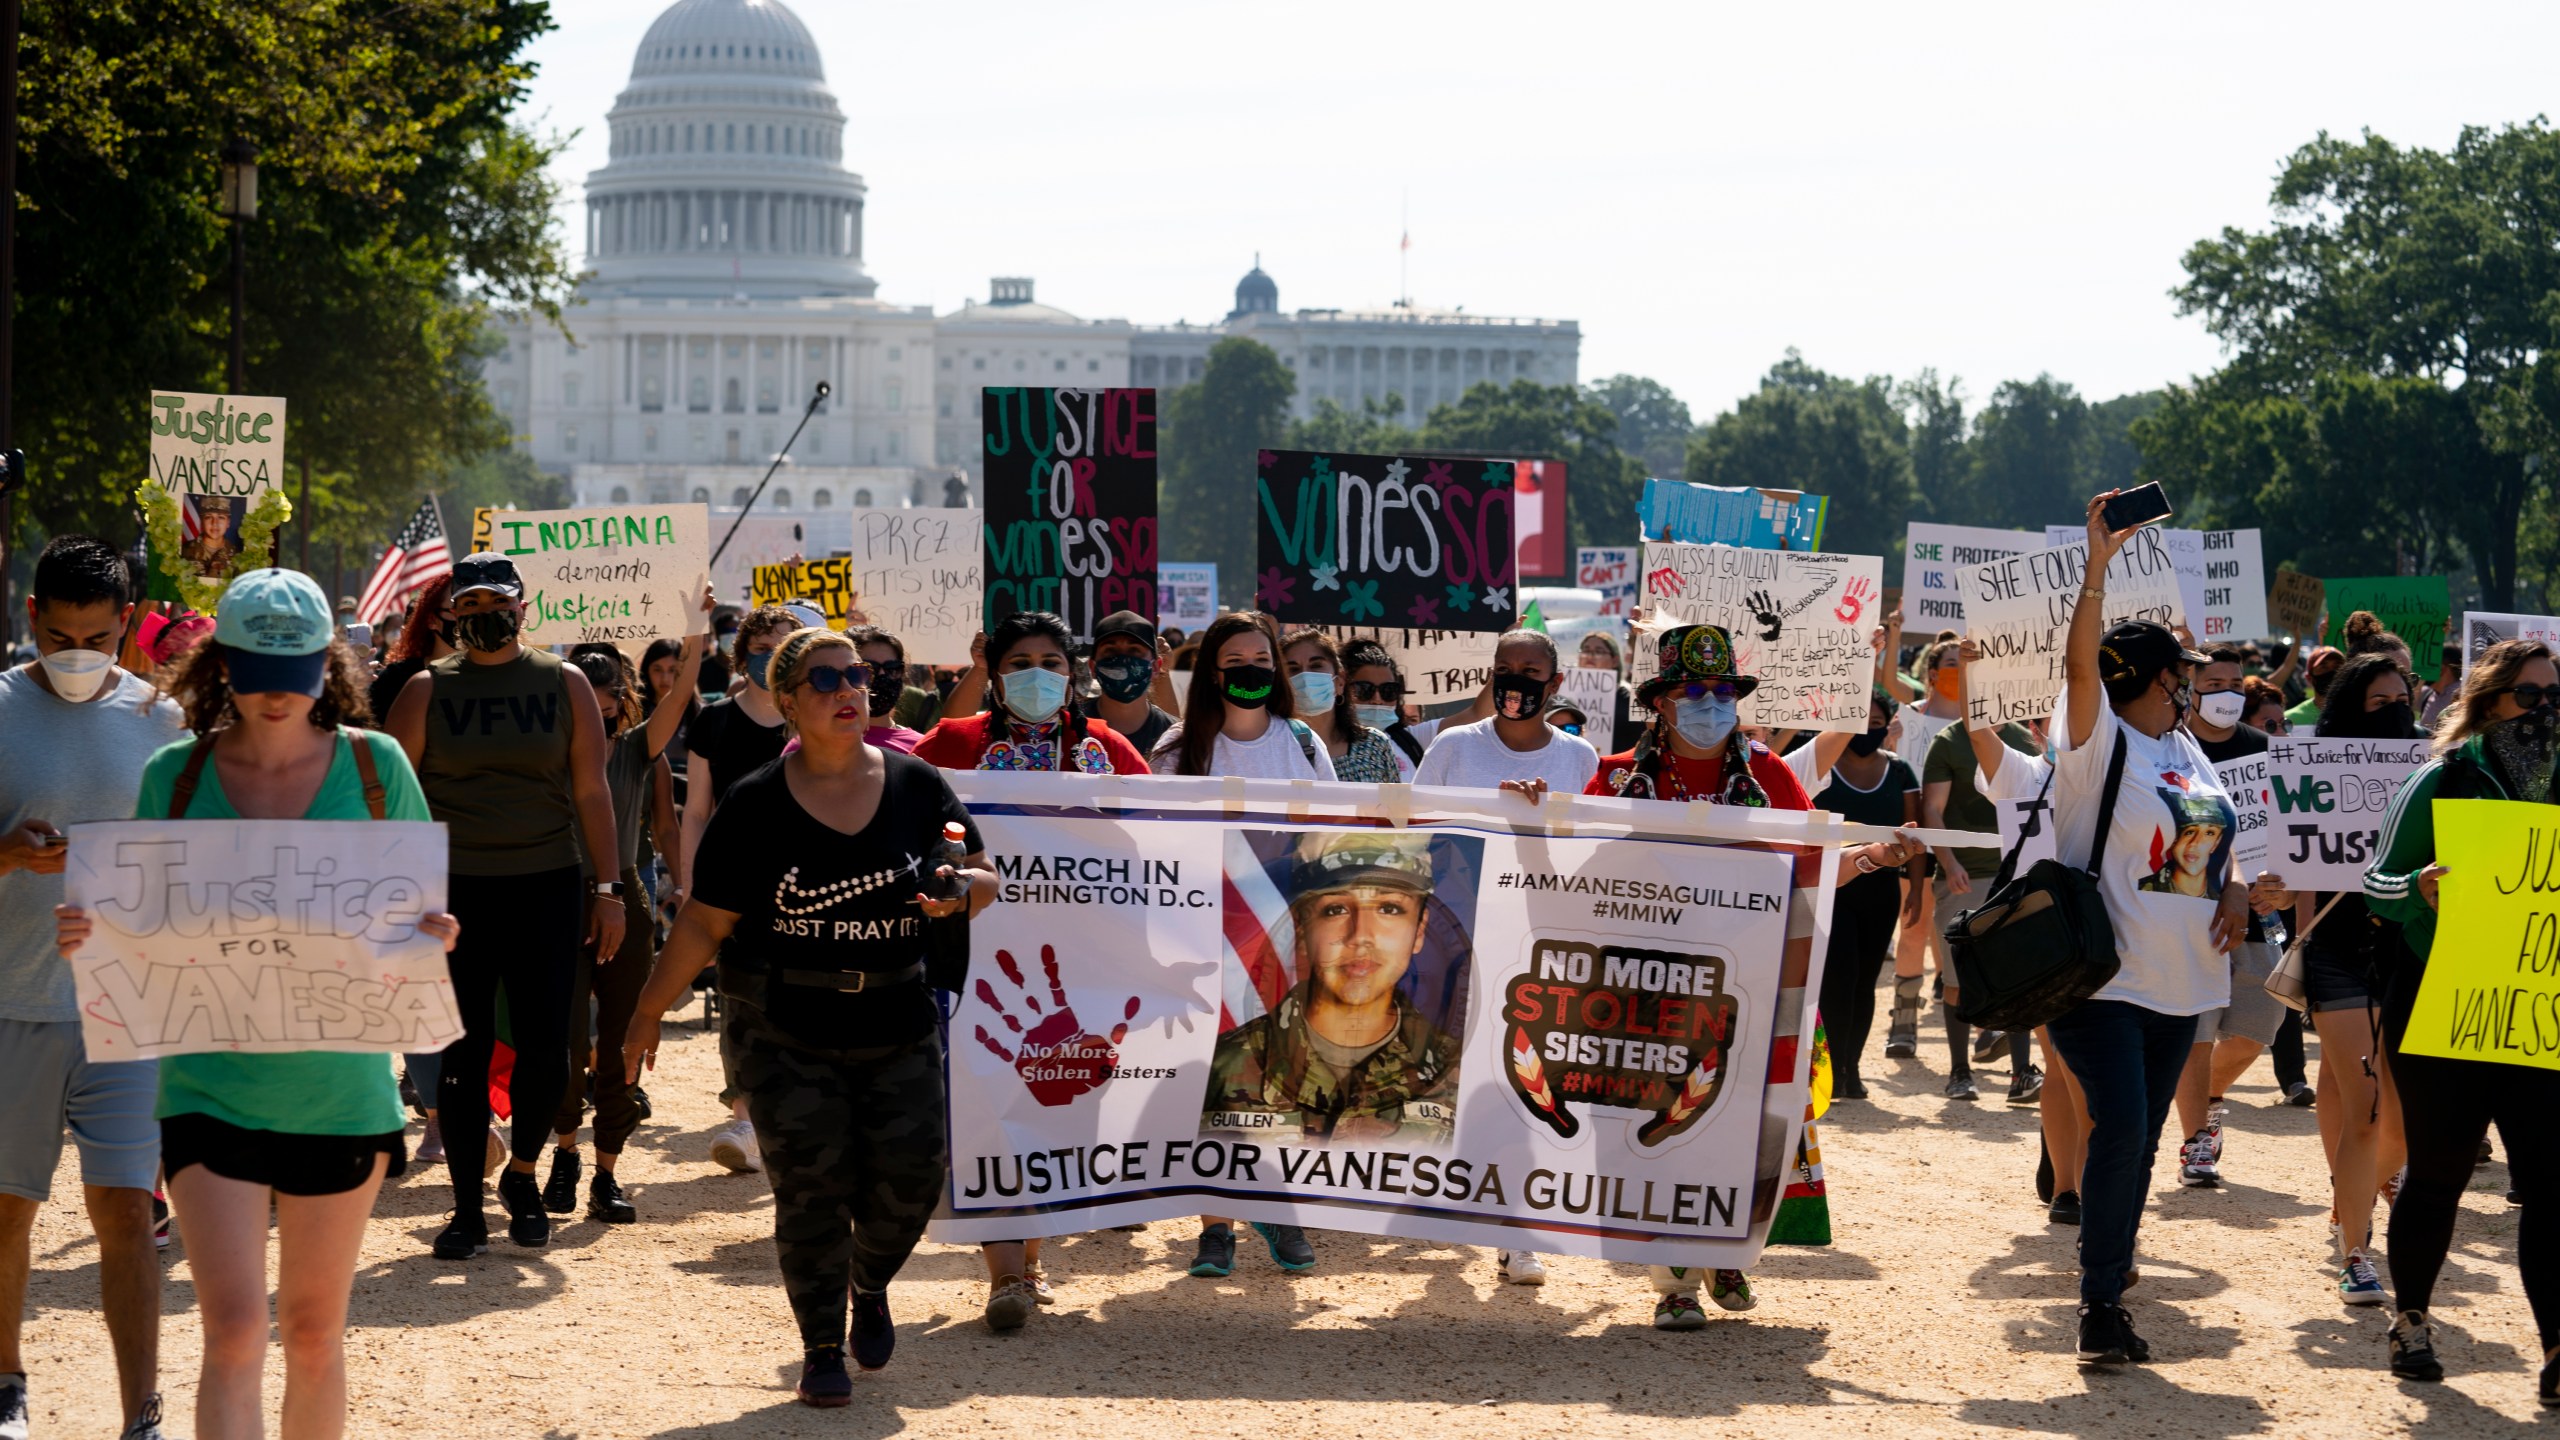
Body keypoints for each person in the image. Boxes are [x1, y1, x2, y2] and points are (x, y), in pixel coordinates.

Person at [57, 568, 459, 1440]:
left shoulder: (376, 765)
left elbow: (415, 914)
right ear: (220, 666)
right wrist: (96, 935)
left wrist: (433, 930)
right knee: (233, 1331)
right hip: (209, 1091)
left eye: (298, 669)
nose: (277, 693)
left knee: (315, 1334)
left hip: (343, 1095)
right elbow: (136, 921)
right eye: (254, 669)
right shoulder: (174, 773)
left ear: (328, 666)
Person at [626, 627, 994, 1404]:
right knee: (811, 1192)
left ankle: (872, 1280)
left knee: (910, 1185)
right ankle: (822, 1345)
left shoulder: (919, 785)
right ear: (787, 702)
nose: (847, 691)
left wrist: (959, 884)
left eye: (855, 675)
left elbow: (979, 868)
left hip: (897, 1020)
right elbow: (701, 924)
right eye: (823, 680)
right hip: (785, 1029)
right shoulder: (755, 803)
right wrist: (646, 1015)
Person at [1590, 624, 1902, 1330]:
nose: (1711, 703)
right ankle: (1672, 1281)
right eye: (1694, 692)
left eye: (1723, 691)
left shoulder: (1770, 776)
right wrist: (1529, 814)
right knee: (1656, 1124)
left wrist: (1876, 855)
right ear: (1660, 704)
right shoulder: (1613, 778)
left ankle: (1724, 1244)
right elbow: (1571, 878)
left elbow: (1811, 873)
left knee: (1738, 1124)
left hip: (1750, 989)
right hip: (1648, 993)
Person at [2036, 494, 2284, 1369]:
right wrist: (2097, 567)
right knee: (2125, 1126)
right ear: (2147, 677)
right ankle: (2099, 1301)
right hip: (2102, 978)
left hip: (2183, 980)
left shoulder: (2187, 752)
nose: (2200, 684)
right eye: (2183, 672)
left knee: (2139, 1142)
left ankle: (2111, 1266)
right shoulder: (2097, 739)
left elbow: (2223, 841)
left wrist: (2239, 889)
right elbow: (2076, 670)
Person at [0, 536, 189, 1440]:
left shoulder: (162, 719)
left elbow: (192, 865)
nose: (79, 654)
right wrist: (5, 855)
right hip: (11, 1003)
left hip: (127, 1010)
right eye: (61, 635)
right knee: (8, 1211)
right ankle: (6, 1385)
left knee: (126, 1208)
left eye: (98, 638)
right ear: (31, 618)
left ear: (127, 629)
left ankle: (140, 1413)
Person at [386, 553, 625, 1259]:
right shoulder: (426, 690)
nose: (483, 614)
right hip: (455, 895)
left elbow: (592, 792)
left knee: (547, 1046)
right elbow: (392, 803)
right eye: (470, 603)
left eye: (497, 600)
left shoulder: (566, 681)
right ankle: (465, 1207)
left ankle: (522, 1173)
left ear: (524, 607)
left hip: (547, 882)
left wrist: (608, 891)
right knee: (462, 1051)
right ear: (451, 612)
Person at [913, 610, 1148, 1323]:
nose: (1036, 675)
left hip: (1080, 971)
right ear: (993, 669)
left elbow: (1162, 838)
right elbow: (903, 810)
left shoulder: (1105, 749)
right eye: (1019, 662)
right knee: (984, 1107)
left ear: (1073, 671)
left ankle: (1034, 1259)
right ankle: (1007, 1274)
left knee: (1056, 1107)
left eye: (1051, 660)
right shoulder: (952, 744)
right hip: (976, 958)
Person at [2363, 638, 2560, 1394]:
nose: (2545, 710)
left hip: (2536, 1009)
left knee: (2549, 1178)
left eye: (2555, 696)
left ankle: (2555, 1349)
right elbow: (2374, 881)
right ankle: (2411, 1319)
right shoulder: (2443, 780)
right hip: (2444, 1003)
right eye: (2530, 695)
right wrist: (2418, 886)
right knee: (2440, 1171)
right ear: (2491, 700)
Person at [1152, 613, 1334, 1280]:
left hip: (1286, 937)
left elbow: (1332, 839)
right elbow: (1157, 850)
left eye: (1264, 656)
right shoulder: (1178, 750)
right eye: (1238, 658)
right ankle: (1216, 1225)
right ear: (1213, 672)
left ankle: (1280, 1206)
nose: (1253, 667)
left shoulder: (1304, 745)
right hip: (1205, 938)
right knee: (1214, 1078)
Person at [545, 616, 707, 1226]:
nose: (595, 704)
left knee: (619, 1044)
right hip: (560, 902)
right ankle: (563, 1155)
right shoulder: (546, 754)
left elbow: (679, 697)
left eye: (605, 693)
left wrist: (693, 641)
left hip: (626, 907)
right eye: (580, 692)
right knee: (562, 1042)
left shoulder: (641, 749)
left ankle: (607, 1171)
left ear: (622, 698)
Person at [2286, 652, 2417, 1306]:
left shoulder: (2434, 771)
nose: (2396, 711)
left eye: (2403, 698)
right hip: (2339, 953)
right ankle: (2358, 1253)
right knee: (2362, 1104)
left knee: (2401, 1121)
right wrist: (2300, 939)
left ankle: (2353, 1191)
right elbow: (2301, 861)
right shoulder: (2317, 766)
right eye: (2379, 703)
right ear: (2347, 711)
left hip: (2409, 950)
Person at [1203, 833, 1457, 1140]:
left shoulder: (1462, 1075)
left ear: (1419, 930)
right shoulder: (1216, 1068)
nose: (1361, 935)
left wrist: (1529, 828)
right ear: (1301, 927)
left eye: (1389, 908)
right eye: (1336, 909)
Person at [2165, 646, 2297, 1193]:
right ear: (2188, 688)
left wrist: (2283, 888)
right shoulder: (2173, 751)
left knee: (2254, 1029)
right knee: (2195, 1032)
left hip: (2260, 916)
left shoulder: (2268, 752)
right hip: (2187, 909)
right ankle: (2197, 1139)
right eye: (2214, 682)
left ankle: (2209, 1097)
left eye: (2235, 684)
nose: (2226, 693)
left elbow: (2293, 834)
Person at [679, 604, 800, 1174]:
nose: (770, 652)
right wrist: (689, 884)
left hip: (808, 887)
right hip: (734, 887)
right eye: (760, 643)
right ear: (742, 650)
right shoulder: (716, 721)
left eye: (784, 643)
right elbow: (696, 811)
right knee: (741, 1001)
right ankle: (747, 1120)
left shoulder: (813, 717)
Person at [1784, 692, 1922, 1102]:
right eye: (1862, 721)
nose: (1868, 730)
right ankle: (1828, 1070)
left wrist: (1915, 885)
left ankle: (1852, 1068)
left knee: (1865, 983)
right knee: (1836, 979)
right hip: (1832, 884)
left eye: (1877, 722)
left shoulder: (1899, 771)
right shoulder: (1821, 769)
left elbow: (1917, 830)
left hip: (1880, 889)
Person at [1921, 663, 2044, 1102]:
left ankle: (2021, 1074)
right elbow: (1932, 809)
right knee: (1956, 979)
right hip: (1963, 878)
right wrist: (1949, 862)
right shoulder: (1948, 741)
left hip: (2015, 875)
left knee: (2019, 977)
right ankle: (1959, 1072)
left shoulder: (2025, 738)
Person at [1887, 637, 1966, 1063]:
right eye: (1951, 663)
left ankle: (1980, 1022)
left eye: (1964, 664)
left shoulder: (1980, 724)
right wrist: (1893, 745)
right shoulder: (1910, 720)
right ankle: (1904, 1020)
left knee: (1961, 934)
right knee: (1914, 926)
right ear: (1932, 673)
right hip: (1916, 838)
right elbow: (1896, 775)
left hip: (1964, 839)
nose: (1959, 671)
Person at [1280, 629, 1411, 782]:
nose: (1305, 676)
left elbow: (1393, 805)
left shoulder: (1374, 745)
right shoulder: (1273, 746)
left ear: (1340, 681)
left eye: (1316, 666)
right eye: (1293, 669)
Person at [1083, 610, 1179, 756]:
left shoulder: (1175, 739)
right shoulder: (1069, 728)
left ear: (1156, 667)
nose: (1123, 660)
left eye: (1134, 650)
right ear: (1092, 667)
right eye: (1110, 651)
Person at [1340, 638, 1429, 770]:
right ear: (1341, 687)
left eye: (1388, 690)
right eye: (1364, 689)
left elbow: (1471, 714)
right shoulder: (1325, 745)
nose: (1377, 699)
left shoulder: (1411, 739)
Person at [842, 625, 929, 754]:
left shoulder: (923, 747)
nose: (882, 675)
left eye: (892, 668)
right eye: (870, 667)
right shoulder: (815, 744)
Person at [2282, 645, 2345, 729]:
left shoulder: (2359, 715)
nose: (2332, 672)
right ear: (2309, 678)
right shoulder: (2290, 719)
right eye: (2323, 667)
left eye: (2337, 667)